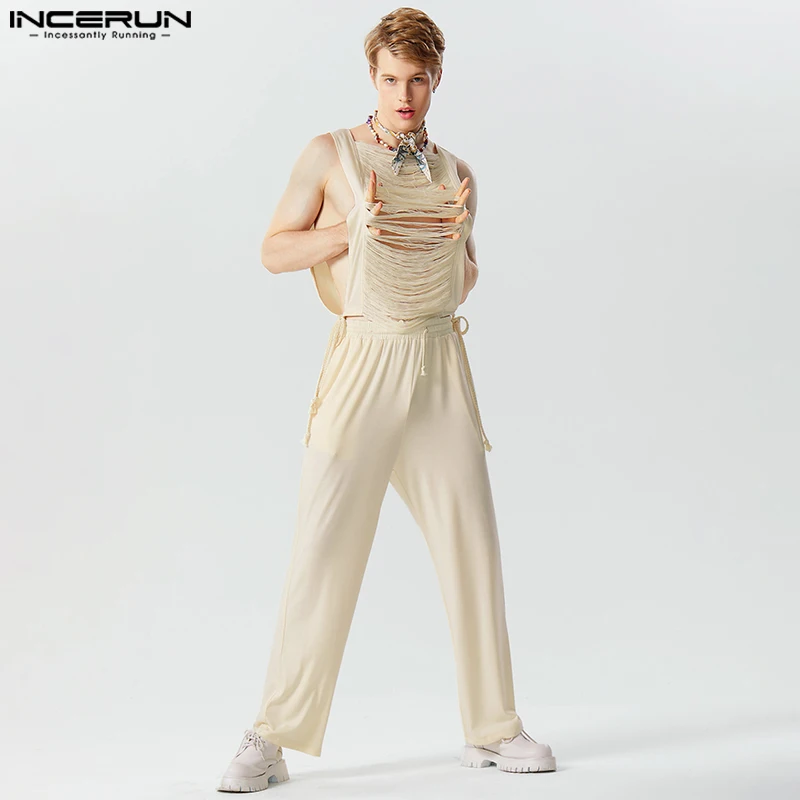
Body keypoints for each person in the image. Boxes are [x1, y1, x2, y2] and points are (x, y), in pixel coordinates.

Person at [216, 7, 557, 792]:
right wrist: (351, 231)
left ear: (437, 81)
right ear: (372, 78)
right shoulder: (330, 154)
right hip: (363, 361)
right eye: (392, 79)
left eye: (419, 80)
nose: (405, 95)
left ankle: (492, 727)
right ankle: (271, 736)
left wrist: (449, 248)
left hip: (438, 361)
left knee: (473, 544)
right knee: (323, 549)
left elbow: (465, 275)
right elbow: (274, 251)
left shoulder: (455, 171)